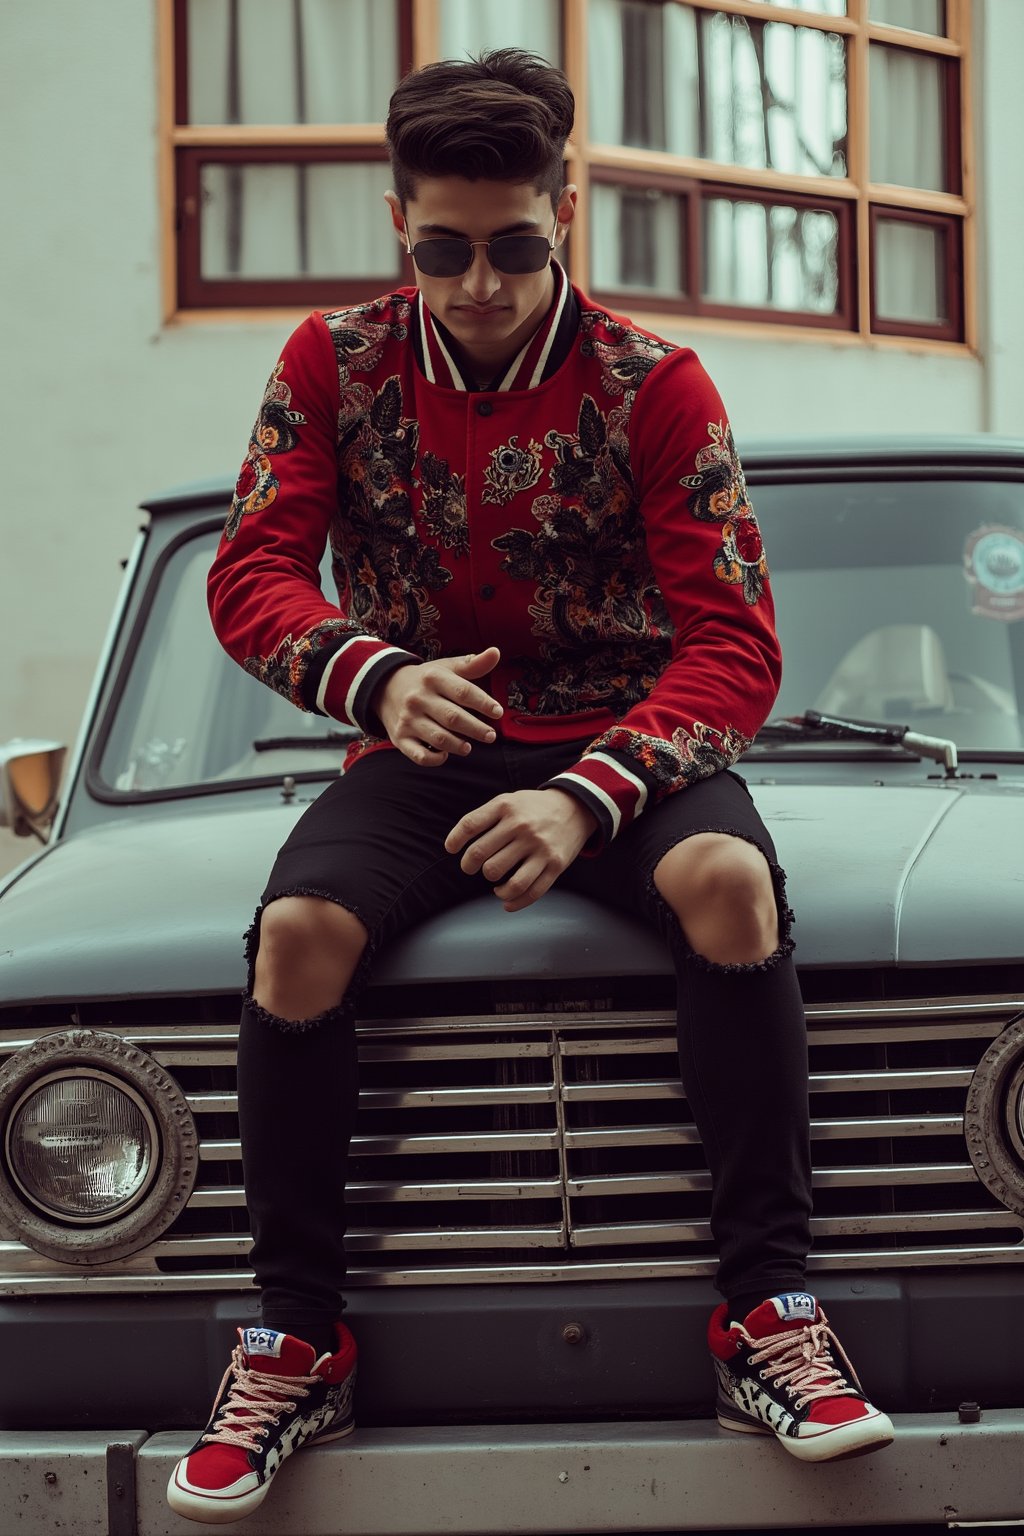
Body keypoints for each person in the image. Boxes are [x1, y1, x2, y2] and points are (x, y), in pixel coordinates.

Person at [166, 48, 893, 1525]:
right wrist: (372, 674)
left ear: (567, 213)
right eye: (445, 248)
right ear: (399, 225)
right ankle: (296, 1337)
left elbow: (739, 646)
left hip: (627, 747)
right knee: (297, 932)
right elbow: (248, 571)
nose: (481, 284)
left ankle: (768, 1311)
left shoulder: (657, 384)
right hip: (416, 741)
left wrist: (589, 793)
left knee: (731, 884)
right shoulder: (329, 362)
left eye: (515, 247)